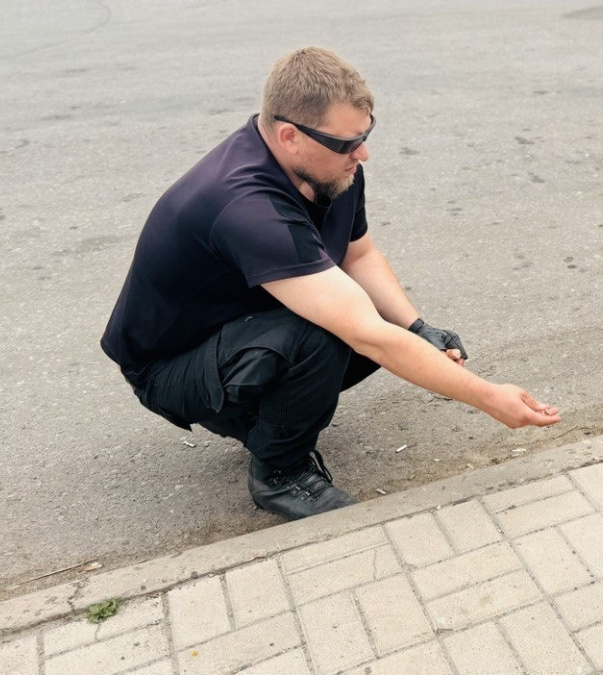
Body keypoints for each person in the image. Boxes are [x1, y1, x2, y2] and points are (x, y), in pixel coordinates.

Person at [101, 47, 561, 521]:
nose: (361, 153)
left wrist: (417, 326)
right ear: (289, 136)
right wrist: (487, 396)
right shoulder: (246, 206)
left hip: (239, 329)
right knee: (324, 333)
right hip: (168, 367)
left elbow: (360, 254)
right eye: (347, 143)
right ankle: (278, 473)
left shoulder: (330, 170)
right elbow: (365, 333)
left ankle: (263, 420)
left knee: (384, 328)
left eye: (365, 135)